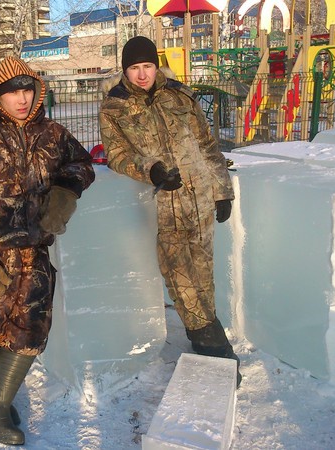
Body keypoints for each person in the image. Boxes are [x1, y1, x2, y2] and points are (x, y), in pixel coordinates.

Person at [0, 55, 95, 445]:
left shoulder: (54, 134)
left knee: (31, 329)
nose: (22, 98)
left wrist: (65, 190)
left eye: (28, 89)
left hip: (36, 250)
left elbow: (82, 163)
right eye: (13, 92)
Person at [99, 36, 241, 387]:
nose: (142, 74)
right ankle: (215, 347)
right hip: (163, 206)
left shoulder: (181, 96)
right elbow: (117, 156)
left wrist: (222, 191)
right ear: (125, 70)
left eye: (147, 66)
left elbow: (207, 145)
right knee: (180, 279)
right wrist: (151, 170)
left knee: (203, 277)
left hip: (199, 199)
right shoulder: (114, 107)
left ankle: (203, 341)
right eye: (134, 68)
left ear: (156, 65)